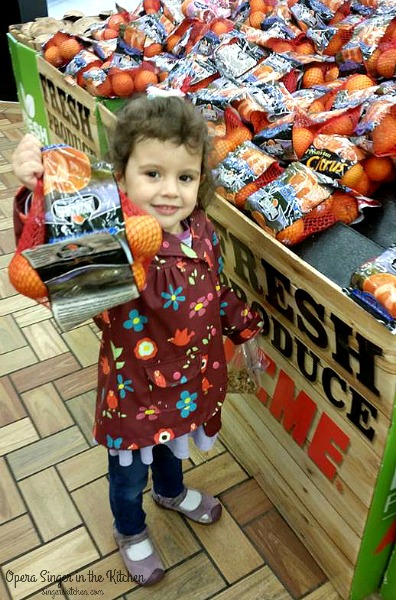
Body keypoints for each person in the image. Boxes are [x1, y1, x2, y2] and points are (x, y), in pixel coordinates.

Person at [11, 94, 263, 586]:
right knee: (128, 479)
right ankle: (130, 529)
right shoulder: (118, 249)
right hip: (137, 394)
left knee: (174, 451)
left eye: (185, 177)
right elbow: (53, 261)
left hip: (192, 381)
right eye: (153, 174)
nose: (171, 191)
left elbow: (211, 290)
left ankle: (171, 493)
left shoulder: (201, 229)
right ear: (119, 178)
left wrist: (244, 324)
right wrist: (34, 197)